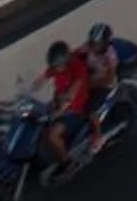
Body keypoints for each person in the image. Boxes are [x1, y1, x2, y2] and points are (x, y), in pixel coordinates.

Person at [33, 39, 95, 173]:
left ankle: (67, 163)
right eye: (53, 66)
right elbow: (43, 77)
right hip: (59, 103)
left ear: (65, 62)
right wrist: (31, 88)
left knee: (52, 135)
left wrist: (58, 111)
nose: (54, 70)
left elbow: (71, 95)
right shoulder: (57, 65)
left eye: (57, 67)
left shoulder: (78, 69)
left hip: (75, 110)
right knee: (36, 124)